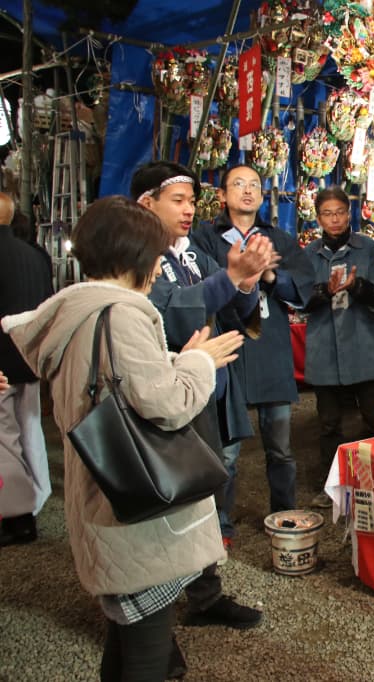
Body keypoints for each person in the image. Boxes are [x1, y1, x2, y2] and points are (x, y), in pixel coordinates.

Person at [2, 196, 244, 681]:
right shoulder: (122, 314)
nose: (158, 267)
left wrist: (179, 361)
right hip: (138, 512)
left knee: (127, 640)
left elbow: (120, 391)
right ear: (139, 257)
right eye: (156, 254)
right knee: (146, 653)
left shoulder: (77, 311)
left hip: (101, 493)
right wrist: (199, 364)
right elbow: (166, 405)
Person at [131, 162, 269, 636]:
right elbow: (170, 314)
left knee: (204, 492)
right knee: (169, 498)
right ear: (145, 203)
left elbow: (234, 308)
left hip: (202, 389)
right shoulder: (139, 259)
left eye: (192, 201)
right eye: (178, 201)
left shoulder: (192, 256)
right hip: (163, 394)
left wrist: (247, 281)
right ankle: (153, 614)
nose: (189, 210)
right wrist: (230, 279)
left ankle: (204, 593)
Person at [191, 165, 314, 537]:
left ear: (262, 196)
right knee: (226, 450)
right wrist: (239, 274)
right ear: (224, 195)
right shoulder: (205, 238)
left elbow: (303, 291)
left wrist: (272, 277)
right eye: (238, 185)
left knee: (280, 447)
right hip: (228, 346)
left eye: (254, 186)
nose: (247, 192)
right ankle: (220, 524)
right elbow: (199, 288)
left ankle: (284, 516)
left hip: (270, 346)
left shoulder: (278, 238)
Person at [303, 188, 374, 507]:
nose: (335, 219)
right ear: (318, 218)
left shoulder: (370, 249)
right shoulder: (309, 254)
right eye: (328, 214)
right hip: (325, 351)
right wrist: (324, 291)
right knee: (328, 423)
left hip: (365, 347)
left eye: (340, 212)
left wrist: (357, 285)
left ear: (349, 213)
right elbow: (300, 298)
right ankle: (330, 486)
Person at [0, 192, 54, 546]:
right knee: (31, 434)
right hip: (30, 358)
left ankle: (16, 516)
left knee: (5, 441)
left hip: (2, 364)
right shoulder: (36, 256)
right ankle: (32, 507)